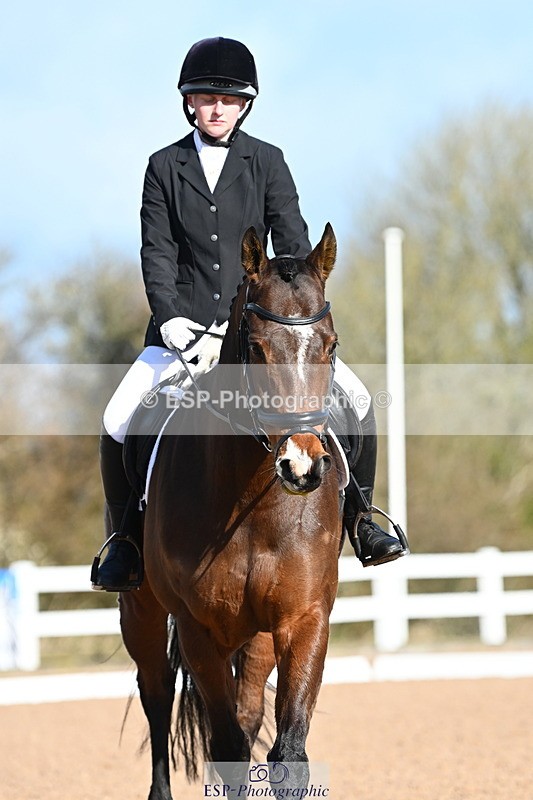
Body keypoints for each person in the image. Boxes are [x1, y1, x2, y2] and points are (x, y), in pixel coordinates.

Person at [92, 37, 407, 592]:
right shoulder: (163, 167)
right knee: (118, 418)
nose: (215, 108)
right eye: (205, 97)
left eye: (227, 99)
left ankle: (362, 521)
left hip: (264, 331)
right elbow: (157, 252)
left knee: (358, 403)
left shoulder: (268, 162)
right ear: (189, 102)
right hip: (180, 333)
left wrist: (288, 311)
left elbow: (293, 247)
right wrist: (170, 319)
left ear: (244, 106)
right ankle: (126, 540)